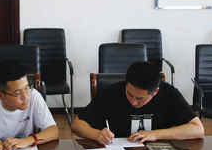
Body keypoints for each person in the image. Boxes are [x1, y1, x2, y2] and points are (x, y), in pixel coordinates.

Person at [72, 61, 204, 145]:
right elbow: (77, 125)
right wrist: (97, 135)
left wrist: (155, 134)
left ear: (155, 92)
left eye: (140, 98)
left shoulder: (169, 93)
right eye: (129, 94)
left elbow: (197, 129)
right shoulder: (111, 92)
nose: (133, 102)